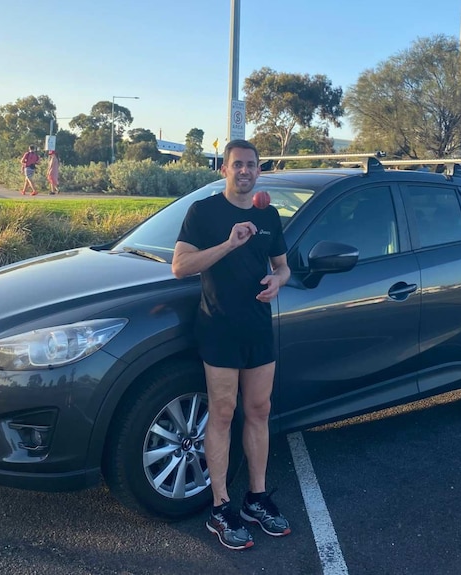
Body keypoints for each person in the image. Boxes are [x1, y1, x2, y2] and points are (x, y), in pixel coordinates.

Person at [171, 139, 291, 551]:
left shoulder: (269, 214)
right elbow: (179, 266)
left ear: (259, 171)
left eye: (252, 165)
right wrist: (229, 244)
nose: (245, 171)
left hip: (258, 328)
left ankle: (257, 498)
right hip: (219, 327)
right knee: (222, 413)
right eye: (237, 164)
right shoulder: (204, 212)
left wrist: (278, 280)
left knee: (259, 411)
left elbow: (283, 266)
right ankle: (221, 508)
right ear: (224, 170)